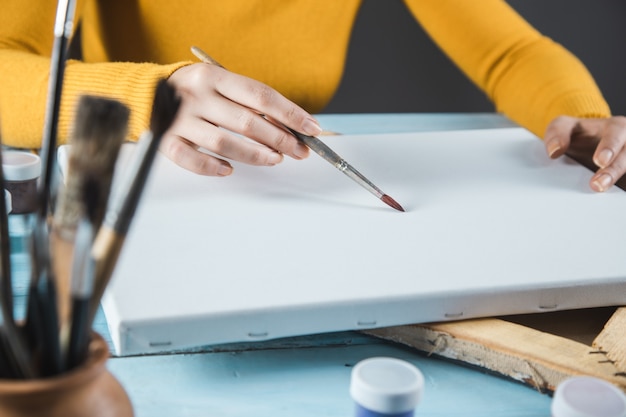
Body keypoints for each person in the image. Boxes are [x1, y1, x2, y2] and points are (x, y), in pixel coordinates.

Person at [0, 0, 624, 192]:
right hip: (142, 178)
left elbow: (509, 53)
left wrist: (584, 117)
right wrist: (148, 96)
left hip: (293, 180)